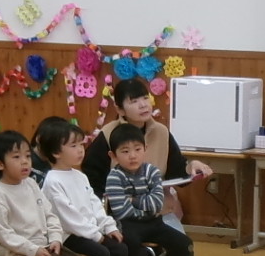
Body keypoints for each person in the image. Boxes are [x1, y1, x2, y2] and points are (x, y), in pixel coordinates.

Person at [83, 79, 212, 224]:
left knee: (180, 238)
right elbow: (92, 177)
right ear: (119, 109)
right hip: (121, 214)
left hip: (158, 211)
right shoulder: (108, 134)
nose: (143, 105)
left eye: (145, 98)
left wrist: (191, 166)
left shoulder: (162, 132)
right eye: (134, 101)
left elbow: (176, 172)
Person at [38, 119, 133, 256]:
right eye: (73, 146)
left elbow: (94, 204)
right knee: (102, 253)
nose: (80, 150)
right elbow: (68, 217)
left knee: (120, 248)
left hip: (87, 231)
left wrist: (108, 226)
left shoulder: (79, 176)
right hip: (66, 235)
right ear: (56, 152)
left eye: (81, 144)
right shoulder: (52, 180)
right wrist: (96, 235)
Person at [104, 121, 194, 256]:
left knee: (185, 246)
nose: (132, 156)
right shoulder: (114, 177)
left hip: (154, 222)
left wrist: (133, 200)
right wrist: (144, 205)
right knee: (130, 245)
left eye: (137, 149)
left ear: (145, 149)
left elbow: (156, 204)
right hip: (127, 225)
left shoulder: (152, 172)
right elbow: (121, 211)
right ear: (113, 155)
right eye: (125, 151)